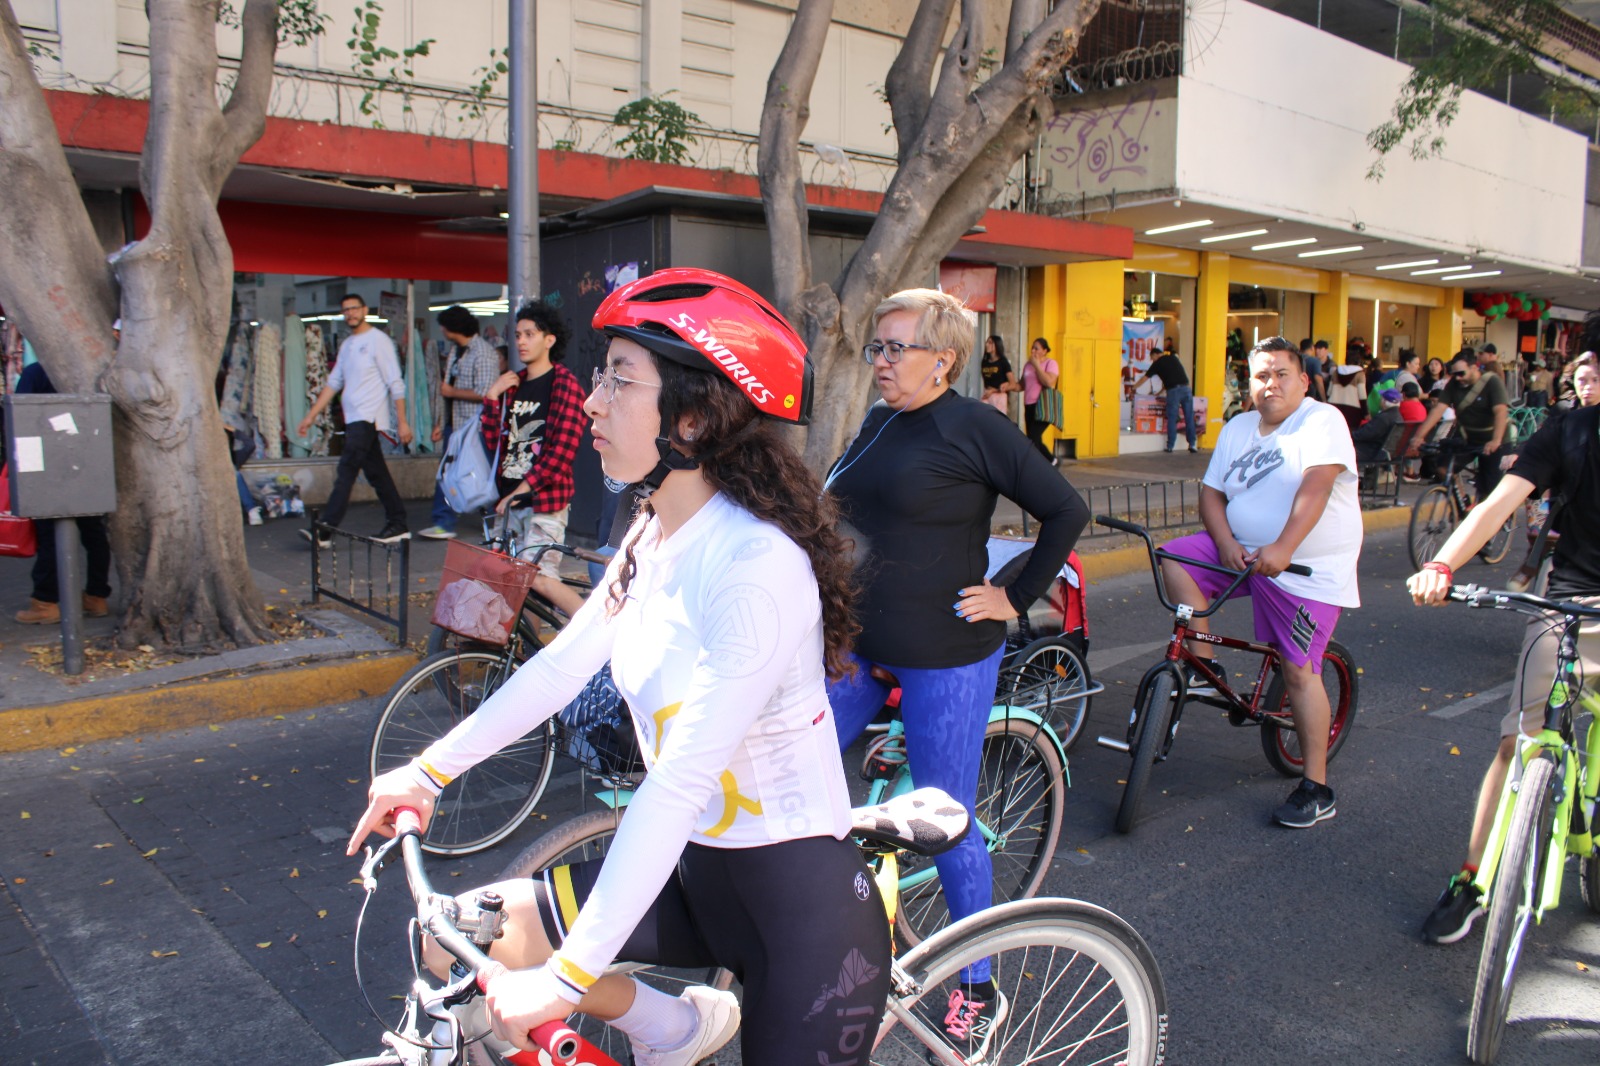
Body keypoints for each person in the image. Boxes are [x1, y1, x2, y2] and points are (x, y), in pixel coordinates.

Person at [348, 268, 888, 1065]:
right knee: (456, 939)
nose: (594, 400)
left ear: (694, 419)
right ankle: (673, 1029)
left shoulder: (756, 568)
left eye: (620, 381)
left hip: (797, 907)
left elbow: (677, 783)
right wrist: (425, 776)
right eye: (600, 376)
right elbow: (560, 669)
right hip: (691, 875)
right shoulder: (654, 535)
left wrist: (565, 981)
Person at [824, 288, 1088, 1053]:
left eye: (894, 348)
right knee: (794, 765)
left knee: (948, 821)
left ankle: (979, 987)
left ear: (943, 358)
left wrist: (1013, 596)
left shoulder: (976, 426)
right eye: (876, 347)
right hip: (861, 643)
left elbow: (1066, 512)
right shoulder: (879, 423)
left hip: (946, 652)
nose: (879, 361)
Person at [1407, 381, 1600, 943]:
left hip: (1573, 604)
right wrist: (1442, 565)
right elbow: (1496, 504)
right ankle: (1472, 879)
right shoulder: (1570, 430)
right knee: (1517, 741)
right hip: (1573, 604)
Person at [1158, 337, 1361, 828]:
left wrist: (1284, 547)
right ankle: (1208, 673)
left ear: (1304, 380)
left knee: (1298, 673)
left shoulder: (1321, 420)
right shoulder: (1240, 427)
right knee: (1173, 557)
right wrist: (1225, 542)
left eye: (1281, 374)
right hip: (1245, 551)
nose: (1270, 384)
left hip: (1304, 570)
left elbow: (1316, 486)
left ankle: (1316, 786)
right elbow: (1211, 492)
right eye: (1260, 376)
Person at [479, 300, 589, 617]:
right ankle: (529, 657)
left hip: (545, 501)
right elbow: (493, 444)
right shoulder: (513, 384)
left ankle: (597, 640)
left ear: (549, 340)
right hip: (510, 502)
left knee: (539, 579)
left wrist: (518, 493)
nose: (522, 341)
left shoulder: (564, 385)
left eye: (530, 334)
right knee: (510, 583)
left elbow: (561, 454)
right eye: (518, 335)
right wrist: (491, 396)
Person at [296, 294, 412, 544]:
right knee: (377, 474)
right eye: (345, 310)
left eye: (354, 309)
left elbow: (395, 382)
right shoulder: (347, 345)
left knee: (346, 469)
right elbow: (334, 383)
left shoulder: (378, 341)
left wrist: (402, 421)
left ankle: (325, 528)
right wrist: (310, 416)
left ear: (365, 310)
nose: (350, 313)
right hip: (354, 419)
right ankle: (398, 522)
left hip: (368, 417)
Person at [11, 360, 113, 625]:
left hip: (48, 464)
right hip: (88, 462)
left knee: (50, 533)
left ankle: (45, 601)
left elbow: (19, 417)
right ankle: (96, 596)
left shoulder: (37, 373)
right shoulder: (90, 369)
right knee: (93, 532)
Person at [419, 305, 501, 540]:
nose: (442, 331)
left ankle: (491, 522)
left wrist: (452, 391)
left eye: (444, 326)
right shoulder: (457, 351)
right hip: (455, 425)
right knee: (448, 472)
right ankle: (444, 521)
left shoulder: (483, 352)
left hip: (475, 426)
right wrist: (440, 422)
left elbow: (486, 391)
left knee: (481, 473)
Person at [1406, 351, 1510, 504]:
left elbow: (1500, 411)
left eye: (1461, 373)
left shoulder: (1492, 382)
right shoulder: (1454, 384)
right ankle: (1463, 502)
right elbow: (1438, 410)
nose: (1458, 378)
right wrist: (1419, 436)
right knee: (1442, 468)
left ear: (1474, 368)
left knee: (1490, 490)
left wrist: (1496, 440)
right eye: (1455, 374)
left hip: (1493, 440)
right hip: (1468, 437)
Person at [1136, 344, 1198, 453]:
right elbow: (1173, 376)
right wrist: (1160, 392)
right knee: (1189, 417)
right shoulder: (1173, 358)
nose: (1152, 360)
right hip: (1186, 389)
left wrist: (1134, 387)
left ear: (1155, 355)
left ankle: (1170, 446)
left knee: (1172, 418)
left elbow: (1144, 378)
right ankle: (1192, 445)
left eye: (1152, 358)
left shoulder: (1157, 364)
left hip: (1173, 391)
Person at [1019, 336, 1060, 463]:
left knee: (1032, 438)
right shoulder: (1028, 365)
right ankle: (1051, 460)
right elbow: (1022, 384)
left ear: (1045, 351)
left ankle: (1037, 464)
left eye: (1036, 349)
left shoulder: (1050, 363)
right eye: (1032, 348)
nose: (1033, 351)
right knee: (1034, 439)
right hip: (1029, 405)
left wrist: (1037, 366)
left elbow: (1048, 382)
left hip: (1042, 406)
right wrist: (1006, 386)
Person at [1351, 388, 1404, 465]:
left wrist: (1348, 436)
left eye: (1382, 398)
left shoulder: (1383, 418)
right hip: (1383, 453)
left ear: (1384, 401)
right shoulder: (1398, 417)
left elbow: (1364, 434)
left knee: (1340, 450)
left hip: (1370, 452)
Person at [979, 334, 1019, 415]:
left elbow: (1013, 384)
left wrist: (994, 390)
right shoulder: (985, 362)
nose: (987, 345)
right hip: (987, 394)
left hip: (999, 395)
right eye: (987, 342)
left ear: (996, 345)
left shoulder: (1003, 362)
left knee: (997, 420)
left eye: (990, 343)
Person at [1328, 363, 1366, 432]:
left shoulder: (1335, 372)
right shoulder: (1360, 374)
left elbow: (1329, 392)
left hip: (1335, 407)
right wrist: (1366, 413)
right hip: (1353, 412)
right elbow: (1362, 395)